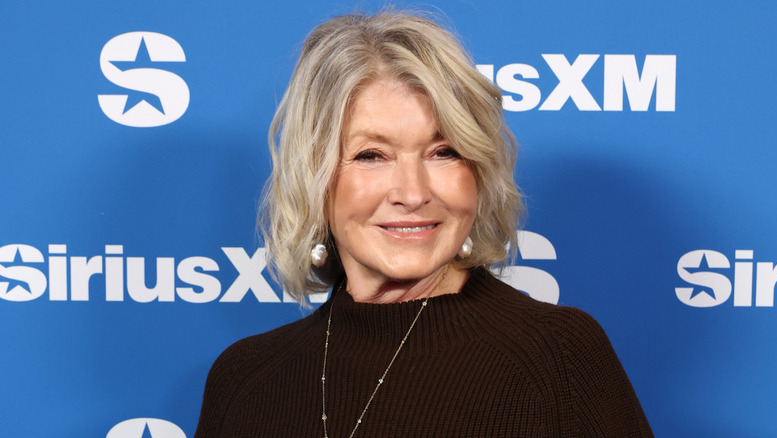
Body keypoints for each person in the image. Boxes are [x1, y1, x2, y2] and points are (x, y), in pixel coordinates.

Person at [195, 9, 653, 437]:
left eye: (444, 152)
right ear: (314, 178)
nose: (413, 194)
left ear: (478, 170)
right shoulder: (244, 378)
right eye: (371, 156)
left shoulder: (561, 358)